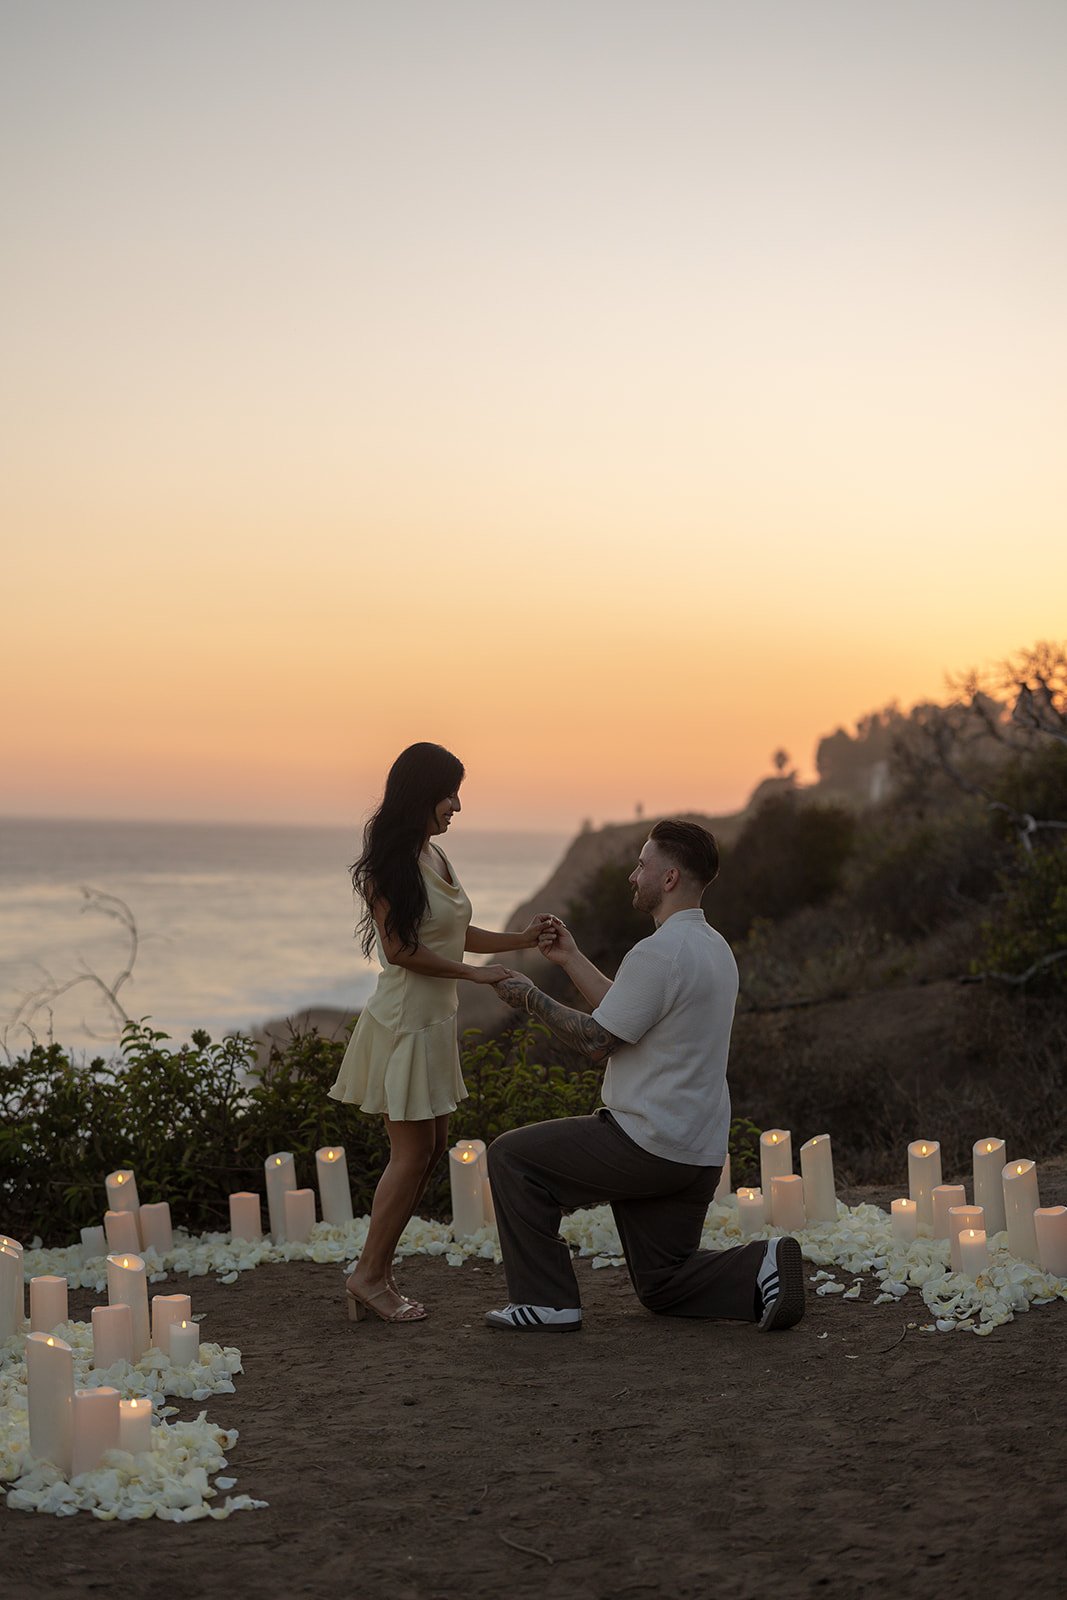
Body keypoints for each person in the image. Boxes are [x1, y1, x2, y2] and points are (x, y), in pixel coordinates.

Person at [485, 819, 805, 1334]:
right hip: (696, 1151)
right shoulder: (714, 949)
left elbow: (597, 1040)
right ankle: (759, 1266)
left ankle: (546, 1302)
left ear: (671, 877)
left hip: (645, 1141)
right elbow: (627, 1013)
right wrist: (569, 958)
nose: (634, 876)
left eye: (642, 864)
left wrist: (529, 998)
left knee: (512, 1157)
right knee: (663, 1283)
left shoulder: (658, 952)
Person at [330, 742, 557, 1325]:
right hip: (405, 1021)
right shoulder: (391, 865)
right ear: (421, 795)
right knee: (409, 1156)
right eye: (449, 793)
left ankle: (374, 1273)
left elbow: (454, 931)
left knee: (428, 1152)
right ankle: (368, 1277)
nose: (457, 804)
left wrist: (521, 940)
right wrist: (473, 976)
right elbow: (401, 950)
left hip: (434, 1021)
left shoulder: (433, 855)